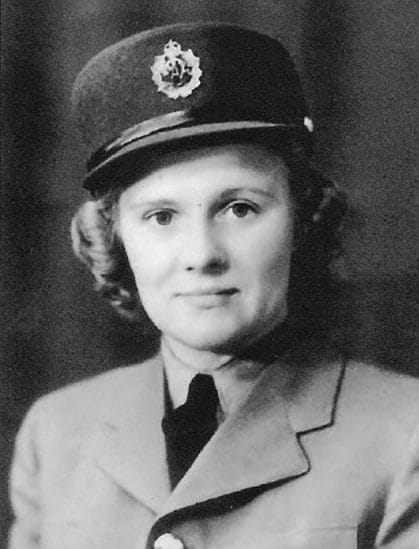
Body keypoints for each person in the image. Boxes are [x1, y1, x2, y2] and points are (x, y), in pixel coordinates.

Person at [8, 22, 419, 549]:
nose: (202, 255)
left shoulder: (404, 435)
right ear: (115, 237)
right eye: (161, 216)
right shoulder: (56, 432)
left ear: (302, 219)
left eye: (240, 208)